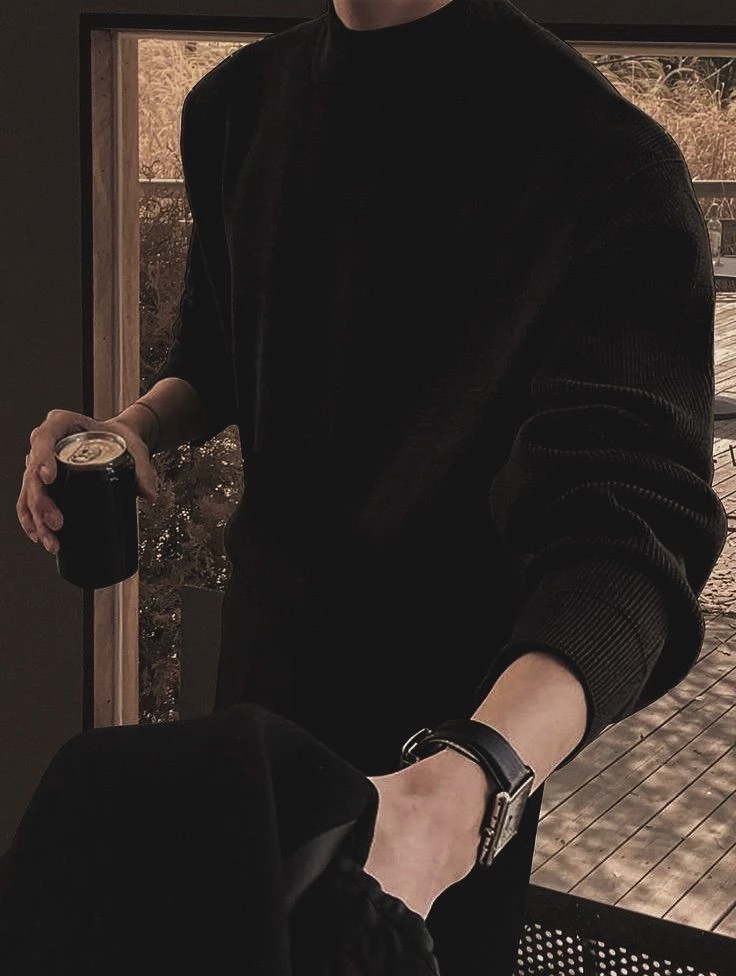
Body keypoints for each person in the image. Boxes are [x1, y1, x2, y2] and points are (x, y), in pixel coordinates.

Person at [16, 1, 728, 973]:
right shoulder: (235, 106)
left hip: (444, 745)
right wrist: (132, 428)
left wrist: (462, 790)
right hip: (261, 684)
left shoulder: (604, 161)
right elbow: (220, 354)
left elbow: (630, 542)